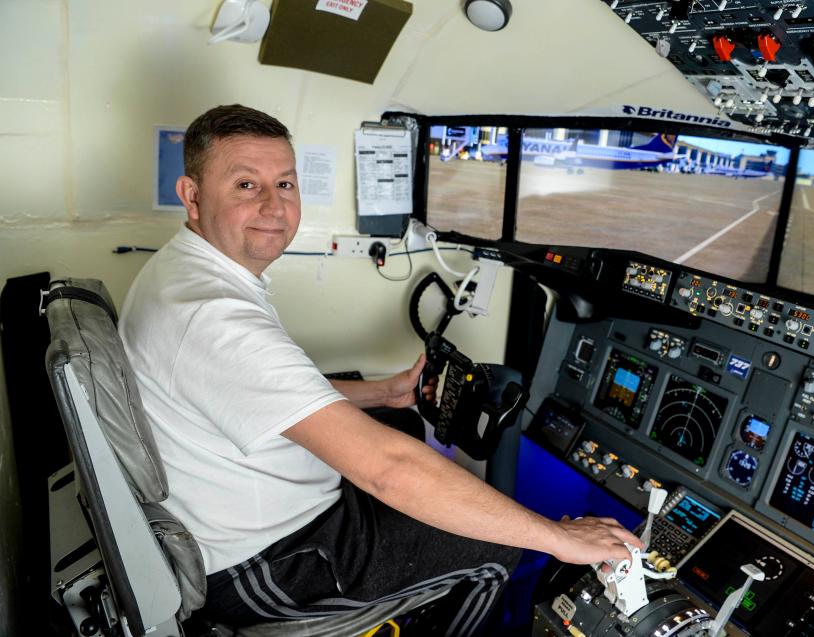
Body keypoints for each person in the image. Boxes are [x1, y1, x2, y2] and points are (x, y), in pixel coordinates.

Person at [119, 104, 641, 634]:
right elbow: (389, 471)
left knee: (405, 424)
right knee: (498, 545)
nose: (274, 206)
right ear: (192, 195)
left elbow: (265, 391)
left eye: (285, 183)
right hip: (268, 563)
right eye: (246, 186)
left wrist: (383, 393)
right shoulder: (214, 317)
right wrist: (559, 536)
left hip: (254, 518)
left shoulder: (187, 274)